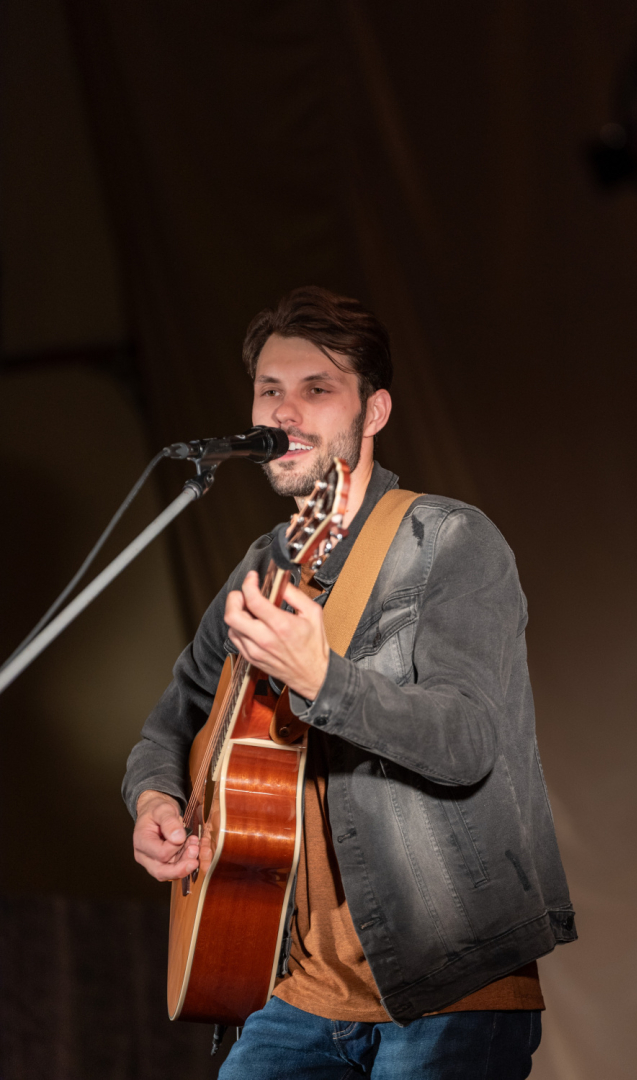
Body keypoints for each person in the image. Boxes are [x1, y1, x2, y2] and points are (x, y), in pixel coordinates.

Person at [123, 286, 577, 1079]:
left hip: (446, 983)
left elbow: (467, 740)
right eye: (269, 389)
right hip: (293, 989)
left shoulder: (448, 541)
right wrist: (155, 799)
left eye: (316, 389)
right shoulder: (265, 563)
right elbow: (172, 721)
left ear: (374, 411)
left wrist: (321, 680)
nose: (284, 411)